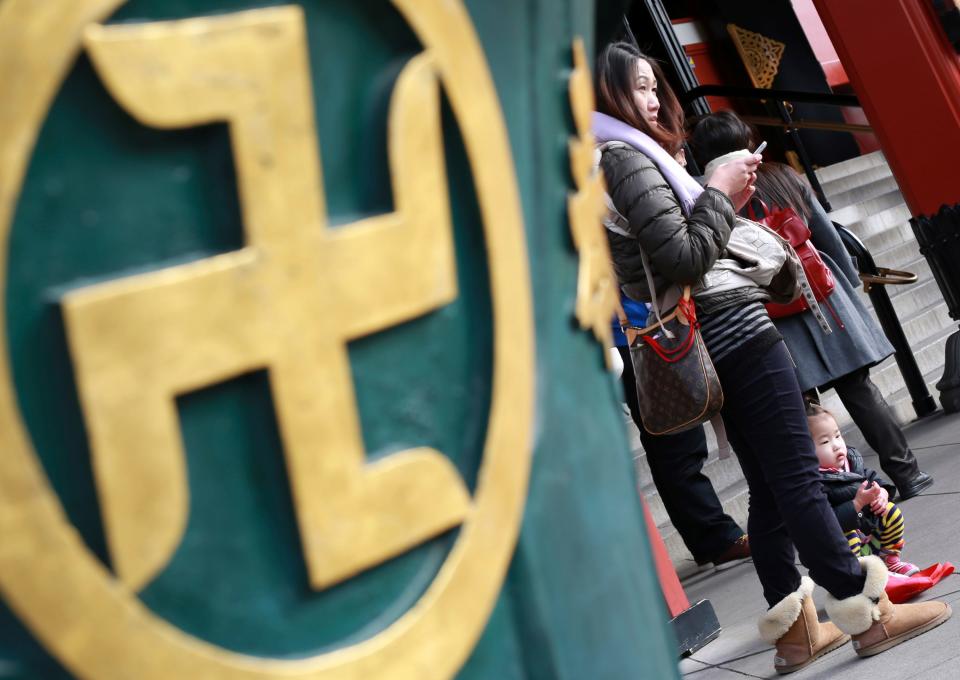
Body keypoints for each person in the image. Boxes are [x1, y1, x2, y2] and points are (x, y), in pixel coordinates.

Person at [593, 41, 950, 674]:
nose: (652, 98)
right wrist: (720, 191)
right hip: (734, 330)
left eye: (654, 85)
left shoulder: (615, 155)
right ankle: (867, 614)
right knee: (798, 478)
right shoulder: (623, 156)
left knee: (767, 486)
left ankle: (796, 631)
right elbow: (683, 258)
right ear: (605, 93)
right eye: (638, 87)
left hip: (723, 336)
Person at [689, 111, 934, 501]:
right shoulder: (784, 177)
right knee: (860, 390)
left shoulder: (708, 199)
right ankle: (907, 474)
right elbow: (826, 236)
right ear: (747, 138)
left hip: (766, 310)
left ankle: (830, 497)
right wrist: (851, 284)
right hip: (822, 296)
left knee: (798, 410)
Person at [613, 293, 749, 568]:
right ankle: (716, 539)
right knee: (674, 437)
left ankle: (713, 537)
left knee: (677, 437)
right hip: (633, 331)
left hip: (654, 322)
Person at [808, 403, 920, 576]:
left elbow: (872, 477)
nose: (836, 445)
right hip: (847, 546)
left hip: (868, 531)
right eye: (824, 441)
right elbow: (828, 522)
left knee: (891, 512)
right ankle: (863, 576)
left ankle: (888, 560)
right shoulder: (815, 481)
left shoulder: (851, 462)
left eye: (838, 436)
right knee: (848, 536)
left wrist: (882, 492)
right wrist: (858, 503)